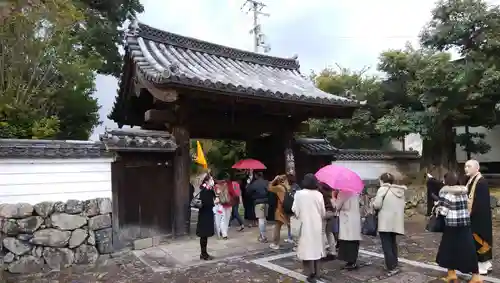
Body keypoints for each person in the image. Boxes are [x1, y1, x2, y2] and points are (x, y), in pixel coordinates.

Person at [435, 172, 482, 283]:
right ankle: (476, 276)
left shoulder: (447, 194)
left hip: (452, 225)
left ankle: (452, 274)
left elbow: (443, 211)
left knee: (447, 250)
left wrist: (437, 206)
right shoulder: (463, 192)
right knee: (467, 250)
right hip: (465, 224)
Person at [371, 173, 406, 276]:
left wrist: (372, 203)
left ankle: (391, 267)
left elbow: (377, 205)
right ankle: (394, 264)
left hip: (385, 222)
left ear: (382, 180)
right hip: (396, 221)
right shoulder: (400, 191)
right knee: (392, 243)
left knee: (386, 245)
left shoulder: (382, 189)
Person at [293, 173, 325, 282]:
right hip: (316, 223)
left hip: (304, 224)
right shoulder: (319, 195)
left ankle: (310, 273)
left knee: (307, 248)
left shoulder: (299, 194)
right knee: (317, 247)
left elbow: (295, 210)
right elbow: (322, 212)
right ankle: (318, 271)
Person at [465, 159, 493, 275]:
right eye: (465, 166)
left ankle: (482, 265)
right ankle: (486, 263)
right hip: (474, 216)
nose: (466, 168)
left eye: (469, 166)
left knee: (480, 240)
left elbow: (480, 203)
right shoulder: (471, 181)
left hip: (480, 218)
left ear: (477, 168)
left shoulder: (481, 182)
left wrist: (470, 214)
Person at [335, 188, 362, 270]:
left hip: (346, 219)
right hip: (355, 218)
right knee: (354, 240)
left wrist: (333, 198)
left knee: (347, 241)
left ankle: (349, 261)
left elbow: (337, 206)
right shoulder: (356, 192)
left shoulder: (342, 193)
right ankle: (353, 261)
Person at [268, 174, 291, 250]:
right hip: (289, 209)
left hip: (281, 209)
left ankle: (275, 243)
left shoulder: (279, 187)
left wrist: (274, 179)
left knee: (277, 227)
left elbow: (269, 187)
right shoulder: (289, 187)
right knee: (290, 225)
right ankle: (293, 240)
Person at [196, 174, 216, 260]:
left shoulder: (209, 190)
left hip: (206, 214)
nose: (212, 181)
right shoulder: (205, 190)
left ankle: (204, 253)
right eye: (211, 179)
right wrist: (214, 202)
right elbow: (206, 203)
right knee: (204, 235)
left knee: (205, 235)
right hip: (205, 215)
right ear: (207, 181)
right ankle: (203, 254)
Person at [246, 171, 269, 242]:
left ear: (256, 176)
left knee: (261, 219)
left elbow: (248, 191)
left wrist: (248, 183)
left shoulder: (254, 184)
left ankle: (263, 236)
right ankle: (263, 233)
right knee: (264, 219)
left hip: (258, 202)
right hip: (266, 201)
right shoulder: (266, 182)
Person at [214, 174, 237, 240]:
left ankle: (223, 233)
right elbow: (234, 194)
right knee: (226, 219)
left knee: (222, 219)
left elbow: (214, 196)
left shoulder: (216, 186)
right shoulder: (229, 184)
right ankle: (224, 233)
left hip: (220, 205)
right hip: (228, 204)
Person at [318, 182, 337, 261]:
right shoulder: (330, 192)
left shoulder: (321, 193)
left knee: (322, 233)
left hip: (324, 213)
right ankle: (333, 252)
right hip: (331, 213)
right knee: (329, 233)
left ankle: (323, 253)